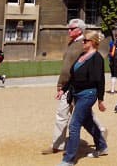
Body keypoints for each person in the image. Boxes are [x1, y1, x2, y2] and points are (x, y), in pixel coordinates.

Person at [43, 19, 106, 155]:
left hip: (77, 87)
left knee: (82, 116)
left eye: (72, 29)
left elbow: (91, 72)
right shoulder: (73, 44)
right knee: (63, 114)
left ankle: (99, 133)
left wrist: (99, 97)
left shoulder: (84, 46)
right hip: (67, 85)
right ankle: (57, 144)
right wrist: (61, 85)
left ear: (80, 30)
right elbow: (68, 68)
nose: (69, 31)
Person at [57, 31, 108, 166]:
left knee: (74, 125)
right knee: (87, 122)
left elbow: (100, 80)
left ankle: (68, 160)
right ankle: (102, 146)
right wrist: (63, 89)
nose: (83, 42)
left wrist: (100, 100)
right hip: (76, 93)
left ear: (92, 42)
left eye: (85, 40)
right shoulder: (82, 55)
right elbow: (72, 76)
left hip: (88, 94)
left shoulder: (97, 58)